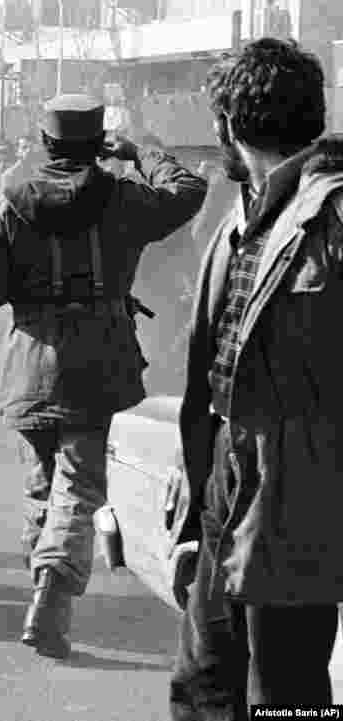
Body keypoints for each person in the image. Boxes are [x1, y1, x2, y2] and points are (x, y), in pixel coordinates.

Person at [0, 94, 207, 659]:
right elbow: (189, 192)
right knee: (78, 486)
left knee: (40, 484)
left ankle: (43, 583)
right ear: (98, 141)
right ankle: (52, 591)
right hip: (101, 360)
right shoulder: (125, 197)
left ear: (46, 141)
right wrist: (139, 152)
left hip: (30, 362)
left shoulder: (10, 202)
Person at [170, 38, 343, 716]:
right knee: (203, 680)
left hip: (300, 485)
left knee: (284, 692)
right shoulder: (242, 214)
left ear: (229, 128)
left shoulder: (332, 216)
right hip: (226, 473)